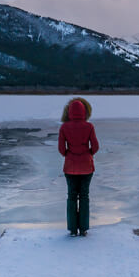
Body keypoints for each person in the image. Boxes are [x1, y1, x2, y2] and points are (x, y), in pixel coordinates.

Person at [58, 97, 99, 237]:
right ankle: (83, 229)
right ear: (84, 111)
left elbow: (62, 150)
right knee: (84, 196)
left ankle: (72, 229)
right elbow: (95, 147)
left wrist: (69, 154)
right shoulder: (89, 127)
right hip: (86, 167)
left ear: (69, 112)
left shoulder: (64, 127)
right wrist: (88, 154)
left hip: (70, 167)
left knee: (71, 196)